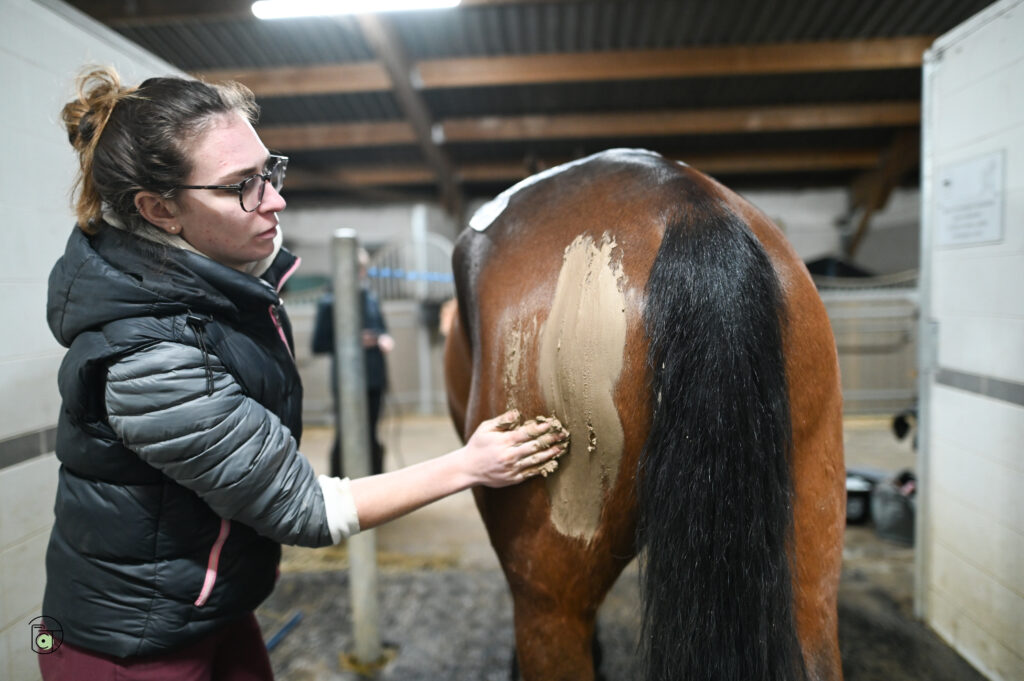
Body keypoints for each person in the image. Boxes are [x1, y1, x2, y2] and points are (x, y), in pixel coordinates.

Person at [40, 66, 568, 681]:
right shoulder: (151, 358)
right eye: (242, 186)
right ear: (160, 210)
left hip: (207, 608)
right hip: (129, 646)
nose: (275, 199)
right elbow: (307, 509)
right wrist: (468, 465)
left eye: (269, 171)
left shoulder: (214, 287)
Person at [312, 249, 393, 477]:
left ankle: (376, 486)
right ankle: (340, 487)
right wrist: (352, 341)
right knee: (345, 434)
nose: (360, 274)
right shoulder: (329, 303)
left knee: (371, 434)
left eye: (361, 269)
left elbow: (383, 331)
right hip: (347, 382)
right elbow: (318, 344)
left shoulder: (371, 298)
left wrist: (382, 339)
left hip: (374, 378)